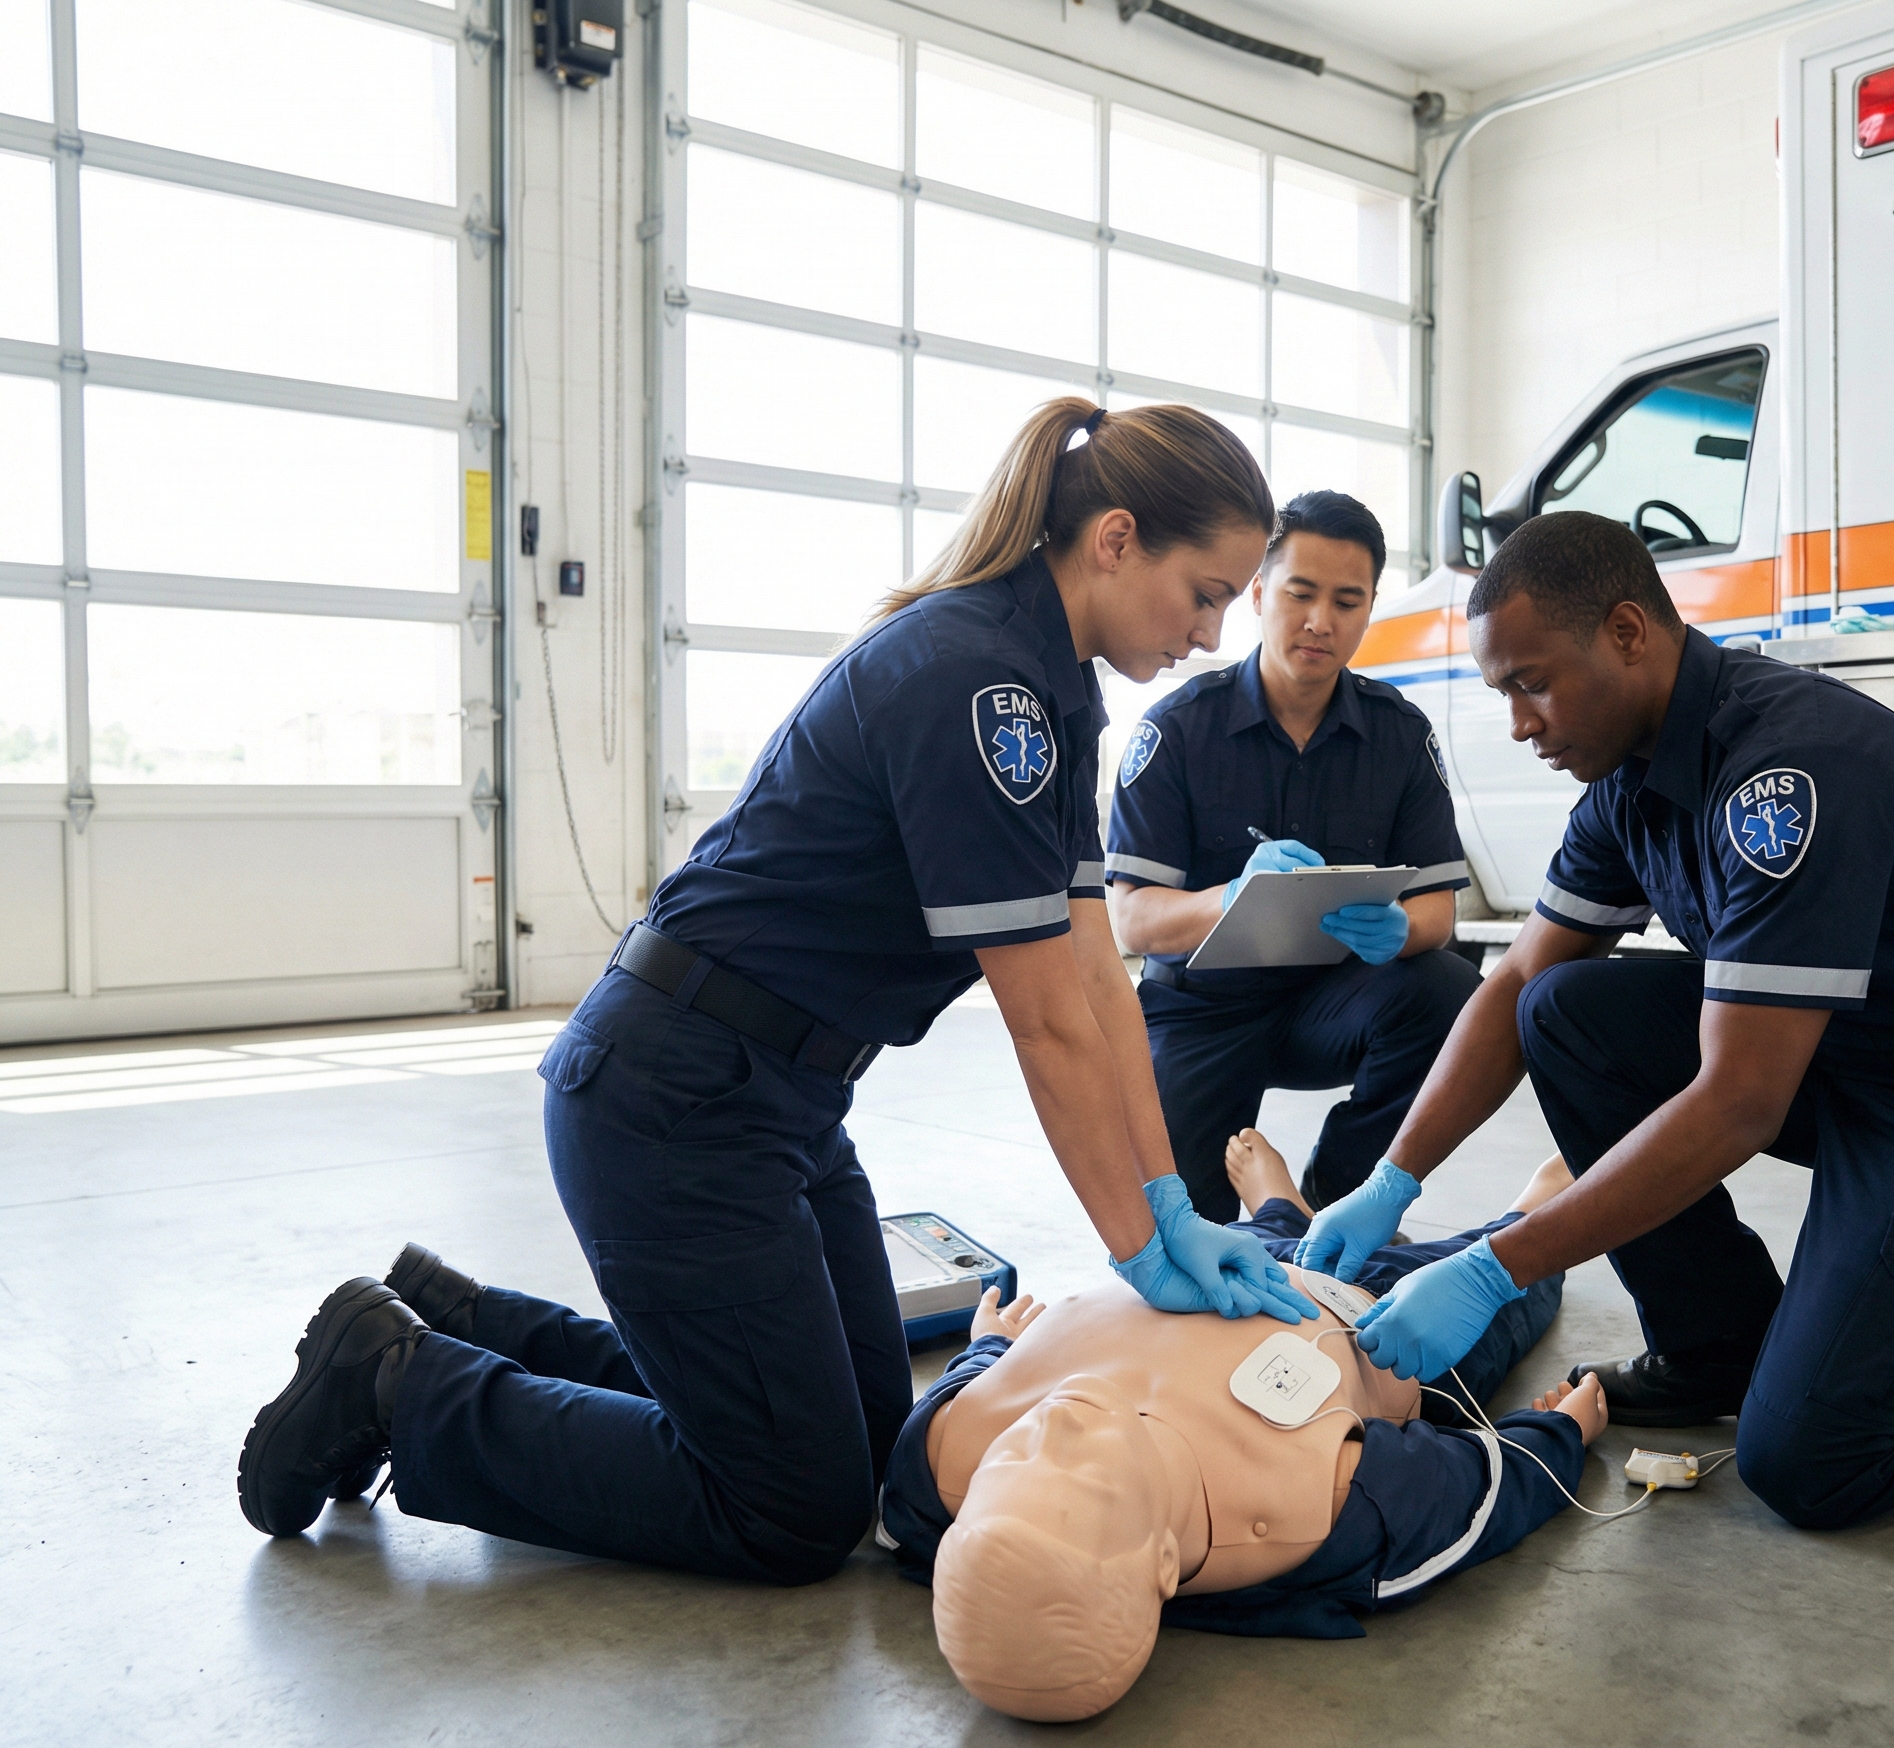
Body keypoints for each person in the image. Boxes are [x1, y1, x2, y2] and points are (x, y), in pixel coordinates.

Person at [235, 399, 1325, 1579]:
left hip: (779, 1102)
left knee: (864, 1441)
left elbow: (1100, 981)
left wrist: (1168, 1200)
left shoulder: (1052, 695)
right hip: (675, 1098)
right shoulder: (979, 685)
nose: (1215, 632)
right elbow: (1047, 1022)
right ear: (1115, 539)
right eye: (1208, 593)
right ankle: (394, 1382)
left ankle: (459, 1319)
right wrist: (1133, 1246)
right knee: (792, 1509)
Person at [1295, 511, 1894, 1531]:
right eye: (1503, 691)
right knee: (1566, 1010)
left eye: (1533, 681)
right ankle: (1715, 1347)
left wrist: (1498, 1262)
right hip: (1858, 1065)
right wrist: (1393, 1178)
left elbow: (1738, 1102)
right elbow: (1515, 984)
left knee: (1812, 1460)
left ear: (1630, 632)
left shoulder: (1787, 771)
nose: (1521, 722)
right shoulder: (1626, 782)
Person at [879, 1130, 1601, 1720]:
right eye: (1080, 1479)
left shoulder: (942, 1456)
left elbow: (972, 1378)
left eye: (1011, 1465)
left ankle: (1275, 1211)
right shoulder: (1309, 1509)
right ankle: (1533, 1205)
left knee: (1243, 1239)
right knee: (1521, 1262)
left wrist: (994, 1345)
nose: (1056, 1426)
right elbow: (1473, 1494)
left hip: (1199, 1267)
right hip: (1383, 1320)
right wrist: (1556, 1439)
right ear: (1163, 1560)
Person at [1105, 491, 1479, 1220]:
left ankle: (1336, 1203)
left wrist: (1402, 930)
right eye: (1300, 593)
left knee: (1449, 991)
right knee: (1182, 1230)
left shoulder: (1399, 736)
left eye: (1348, 601)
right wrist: (1233, 896)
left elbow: (1439, 907)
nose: (1321, 621)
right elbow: (1134, 922)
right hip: (1200, 1012)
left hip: (1330, 1002)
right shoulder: (1177, 732)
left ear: (1371, 608)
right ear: (1257, 591)